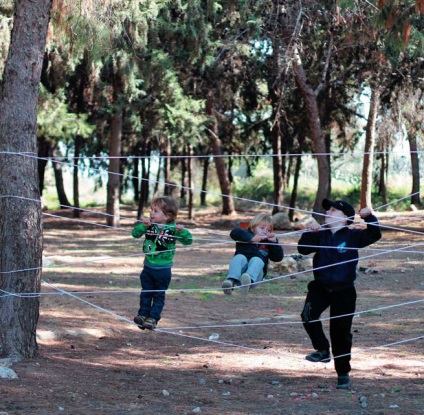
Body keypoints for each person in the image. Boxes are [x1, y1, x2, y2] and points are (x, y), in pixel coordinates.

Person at [297, 198, 382, 390]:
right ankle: (322, 350)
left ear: (345, 218)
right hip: (320, 287)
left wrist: (370, 218)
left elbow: (374, 234)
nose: (328, 213)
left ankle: (343, 372)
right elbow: (303, 249)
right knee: (308, 316)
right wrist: (309, 232)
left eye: (333, 210)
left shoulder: (353, 236)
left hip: (344, 291)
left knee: (340, 332)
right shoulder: (321, 235)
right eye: (327, 210)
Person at [132, 196, 193, 330]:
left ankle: (153, 318)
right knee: (146, 292)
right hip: (148, 267)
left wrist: (183, 231)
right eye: (152, 210)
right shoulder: (149, 226)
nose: (151, 213)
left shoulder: (173, 229)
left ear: (167, 216)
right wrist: (142, 225)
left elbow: (188, 241)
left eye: (155, 211)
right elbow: (135, 234)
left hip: (163, 270)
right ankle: (142, 315)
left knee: (158, 294)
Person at [221, 213, 284, 295]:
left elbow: (278, 257)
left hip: (256, 276)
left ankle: (248, 282)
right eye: (262, 228)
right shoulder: (244, 236)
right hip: (240, 273)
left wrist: (275, 243)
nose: (265, 232)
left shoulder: (268, 243)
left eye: (268, 230)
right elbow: (234, 232)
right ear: (252, 228)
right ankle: (230, 281)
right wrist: (251, 238)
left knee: (257, 260)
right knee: (239, 257)